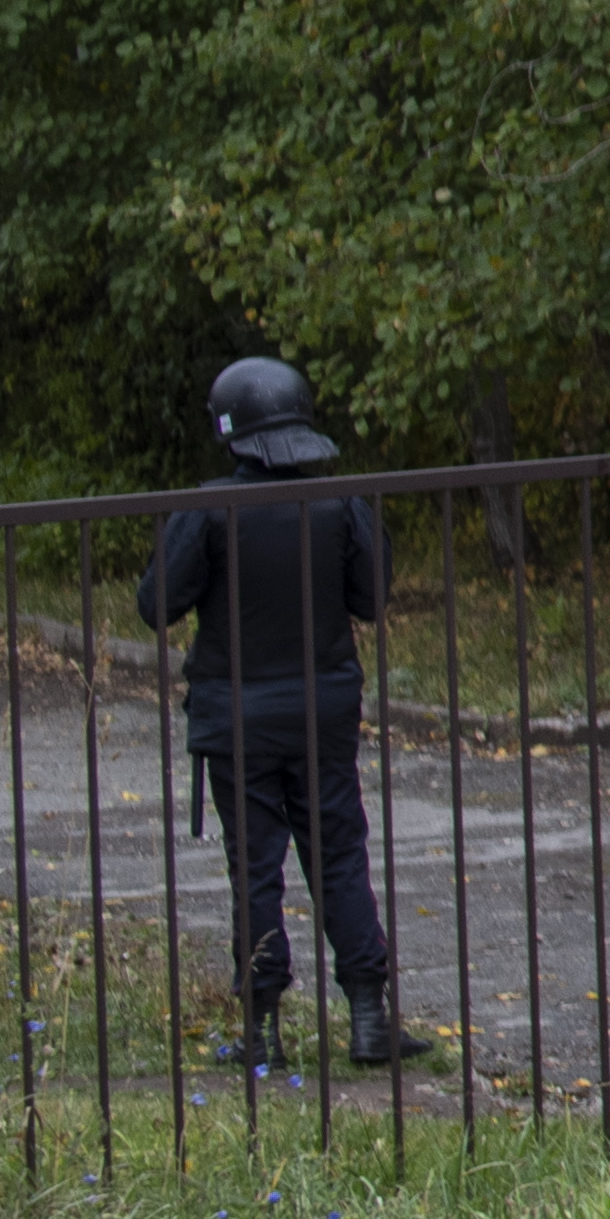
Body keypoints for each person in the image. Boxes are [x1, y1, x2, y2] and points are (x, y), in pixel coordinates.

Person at [143, 355, 405, 1073]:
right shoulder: (339, 501)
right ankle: (369, 1020)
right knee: (340, 854)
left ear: (232, 431)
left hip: (236, 720)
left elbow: (156, 604)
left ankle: (262, 1032)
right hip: (324, 710)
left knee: (255, 869)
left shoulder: (209, 508)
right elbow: (371, 596)